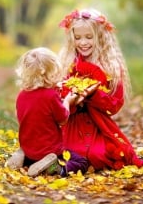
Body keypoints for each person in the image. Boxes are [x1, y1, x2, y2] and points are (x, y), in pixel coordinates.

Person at [58, 8, 143, 170]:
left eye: (89, 37)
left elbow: (114, 105)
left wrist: (94, 95)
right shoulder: (67, 63)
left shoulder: (111, 66)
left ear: (100, 37)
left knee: (99, 156)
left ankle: (76, 164)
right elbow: (57, 98)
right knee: (63, 153)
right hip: (72, 124)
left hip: (98, 125)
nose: (83, 43)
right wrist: (71, 98)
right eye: (77, 38)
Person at [5, 47, 89, 177]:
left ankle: (23, 157)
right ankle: (57, 168)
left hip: (29, 148)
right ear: (49, 75)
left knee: (33, 154)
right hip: (50, 150)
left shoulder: (22, 95)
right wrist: (67, 101)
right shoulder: (50, 96)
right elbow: (63, 119)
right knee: (81, 162)